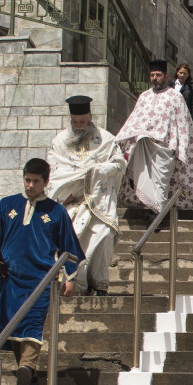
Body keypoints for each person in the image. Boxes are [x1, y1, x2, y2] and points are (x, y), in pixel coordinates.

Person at [0, 158, 84, 385]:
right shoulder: (6, 205)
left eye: (36, 181)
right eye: (27, 180)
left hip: (41, 278)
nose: (30, 185)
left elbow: (69, 247)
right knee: (13, 324)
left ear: (46, 182)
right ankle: (27, 373)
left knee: (32, 322)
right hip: (10, 276)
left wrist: (71, 278)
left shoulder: (56, 212)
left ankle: (27, 365)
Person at [45, 96, 124, 296]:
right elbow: (55, 170)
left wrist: (95, 171)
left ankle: (98, 284)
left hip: (99, 201)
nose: (79, 126)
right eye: (75, 122)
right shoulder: (60, 141)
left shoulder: (106, 139)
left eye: (82, 121)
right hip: (70, 202)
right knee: (72, 236)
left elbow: (119, 164)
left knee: (104, 234)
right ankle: (77, 285)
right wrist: (63, 193)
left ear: (90, 118)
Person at [117, 58, 193, 213]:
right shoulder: (144, 96)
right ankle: (154, 213)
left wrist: (182, 147)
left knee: (161, 183)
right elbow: (133, 120)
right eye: (152, 75)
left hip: (165, 148)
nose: (155, 78)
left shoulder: (175, 96)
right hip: (144, 147)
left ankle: (158, 214)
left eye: (158, 75)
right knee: (144, 181)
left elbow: (183, 123)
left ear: (166, 76)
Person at [173, 63, 193, 131]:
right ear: (177, 72)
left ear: (188, 75)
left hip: (184, 116)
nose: (182, 75)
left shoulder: (191, 87)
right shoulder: (170, 85)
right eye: (181, 73)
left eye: (185, 73)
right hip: (171, 115)